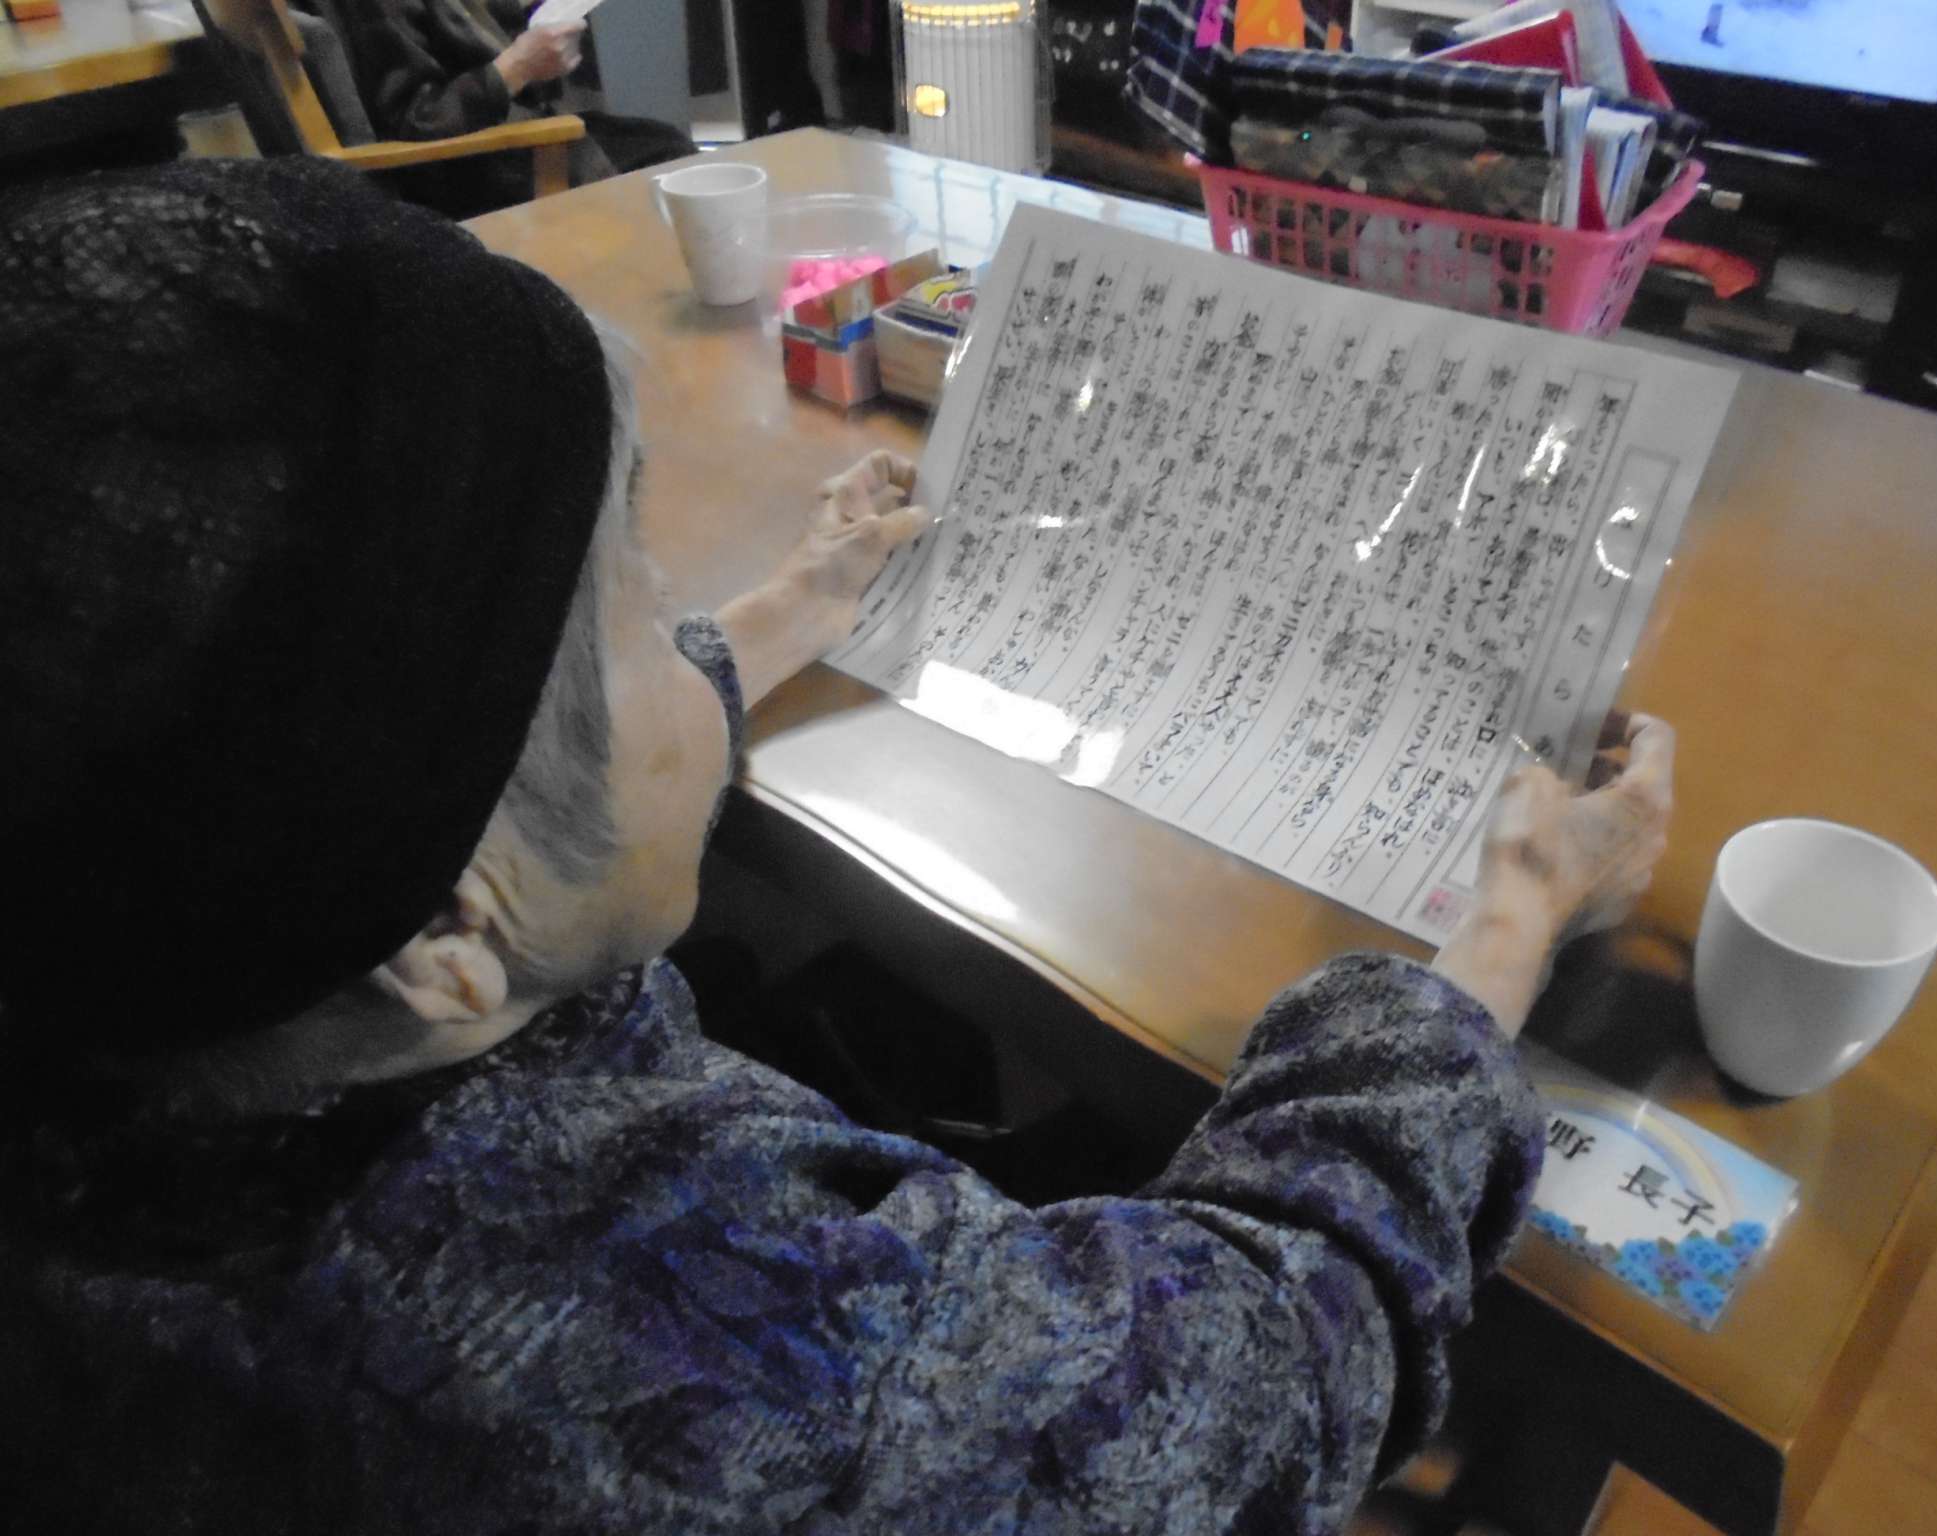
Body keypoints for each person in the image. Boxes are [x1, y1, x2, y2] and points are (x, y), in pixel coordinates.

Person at [0, 159, 1675, 1534]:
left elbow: (478, 770)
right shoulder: (705, 1370)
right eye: (635, 604)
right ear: (446, 940)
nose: (679, 620)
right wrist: (1504, 930)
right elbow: (1254, 1383)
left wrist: (789, 610)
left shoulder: (149, 924)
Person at [326, 0, 694, 214]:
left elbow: (481, 55)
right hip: (464, 170)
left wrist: (536, 39)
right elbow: (416, 123)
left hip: (506, 137)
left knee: (666, 145)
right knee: (670, 166)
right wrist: (518, 66)